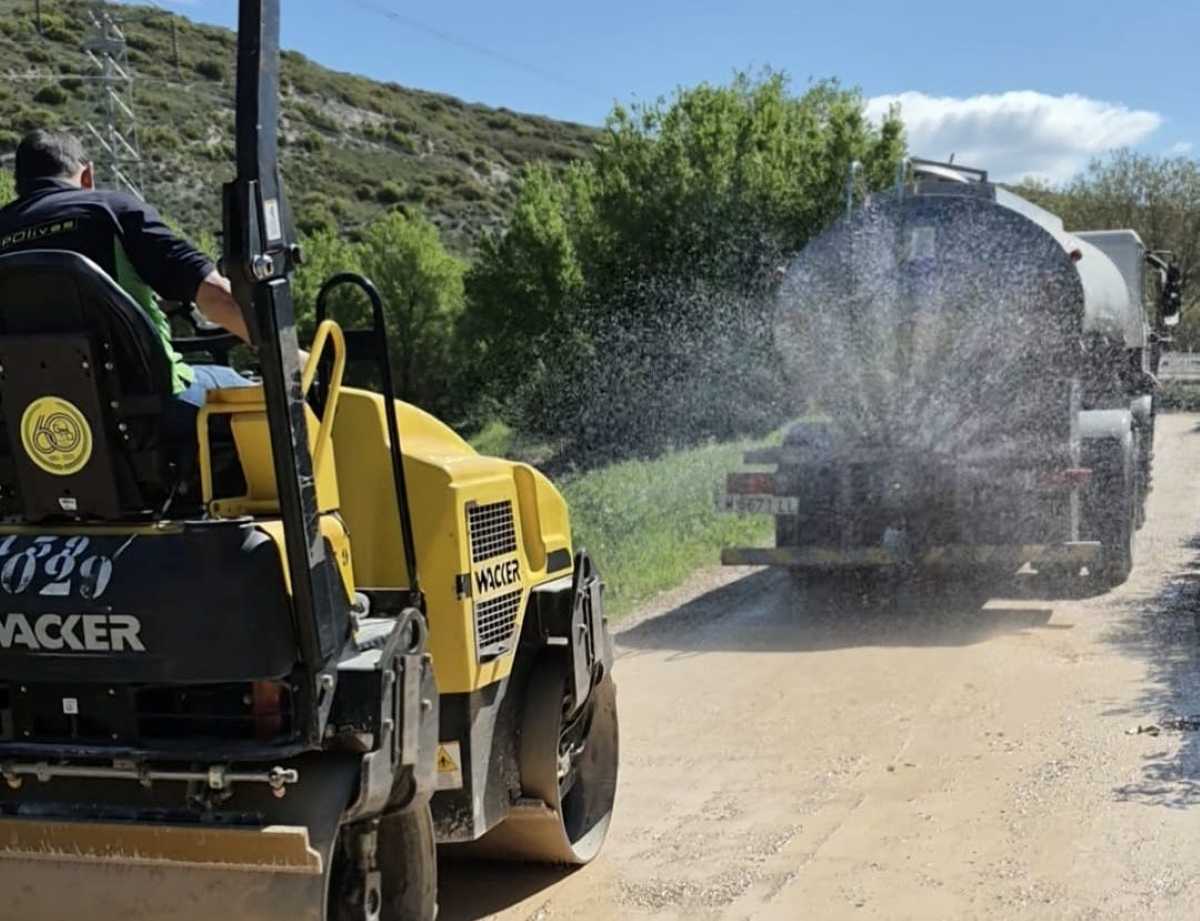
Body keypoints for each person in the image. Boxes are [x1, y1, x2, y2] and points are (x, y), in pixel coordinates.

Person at [0, 130, 255, 435]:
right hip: (147, 411)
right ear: (87, 176)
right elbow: (217, 299)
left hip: (35, 425)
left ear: (19, 186)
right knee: (252, 393)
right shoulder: (114, 211)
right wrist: (292, 356)